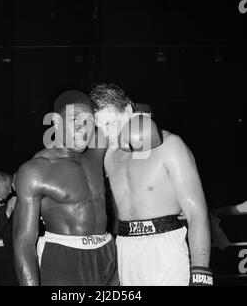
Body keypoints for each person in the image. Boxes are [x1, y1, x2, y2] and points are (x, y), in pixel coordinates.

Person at [90, 83, 212, 286]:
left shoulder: (170, 145)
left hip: (165, 249)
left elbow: (197, 214)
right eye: (99, 126)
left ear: (128, 111)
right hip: (126, 248)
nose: (105, 132)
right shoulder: (107, 155)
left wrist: (201, 276)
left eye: (109, 124)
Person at [13, 90, 119, 286]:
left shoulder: (97, 149)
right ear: (56, 121)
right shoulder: (36, 170)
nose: (83, 128)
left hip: (108, 254)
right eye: (74, 120)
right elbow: (24, 243)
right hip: (64, 260)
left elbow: (131, 123)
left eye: (88, 121)